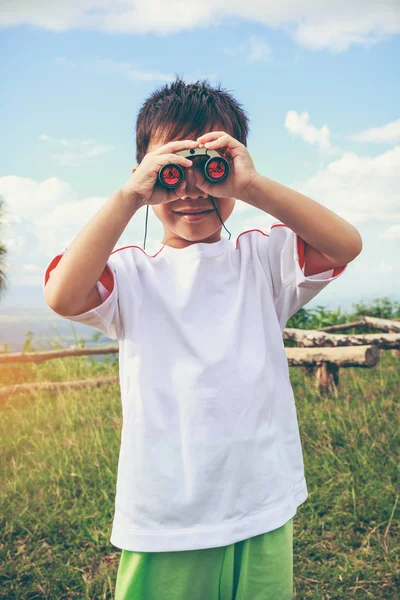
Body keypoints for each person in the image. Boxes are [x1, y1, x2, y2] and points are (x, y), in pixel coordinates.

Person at [43, 77, 362, 599]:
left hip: (261, 501)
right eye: (172, 170)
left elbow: (345, 243)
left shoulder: (262, 261)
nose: (191, 189)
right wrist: (128, 197)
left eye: (208, 167)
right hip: (167, 514)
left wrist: (250, 186)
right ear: (145, 174)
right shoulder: (130, 275)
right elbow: (62, 295)